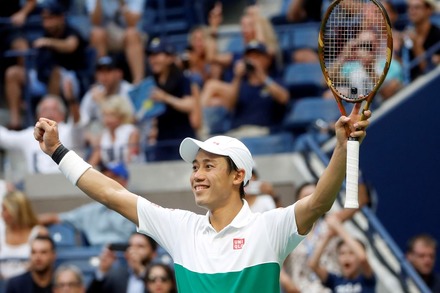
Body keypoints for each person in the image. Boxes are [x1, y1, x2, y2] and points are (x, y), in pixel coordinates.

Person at [33, 98, 371, 292]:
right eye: (195, 167)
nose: (196, 175)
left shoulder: (269, 228)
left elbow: (319, 202)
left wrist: (342, 148)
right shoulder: (182, 228)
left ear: (239, 176)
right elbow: (111, 194)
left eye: (208, 166)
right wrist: (59, 151)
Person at [4, 1, 87, 129]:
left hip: (70, 80)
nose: (47, 22)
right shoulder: (45, 33)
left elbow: (70, 45)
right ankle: (16, 122)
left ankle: (49, 122)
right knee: (13, 73)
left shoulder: (70, 32)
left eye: (51, 18)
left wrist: (49, 42)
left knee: (56, 72)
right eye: (45, 19)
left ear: (61, 18)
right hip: (42, 78)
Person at [201, 41, 289, 138]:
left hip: (263, 133)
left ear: (267, 60)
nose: (253, 60)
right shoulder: (241, 83)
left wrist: (261, 76)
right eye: (249, 57)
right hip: (238, 132)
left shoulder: (274, 81)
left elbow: (284, 98)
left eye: (257, 57)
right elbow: (230, 106)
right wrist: (237, 77)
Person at [38, 162, 136, 246]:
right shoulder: (91, 211)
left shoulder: (136, 208)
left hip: (125, 255)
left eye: (110, 177)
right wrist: (30, 224)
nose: (105, 182)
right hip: (94, 255)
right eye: (103, 177)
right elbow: (56, 218)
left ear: (123, 181)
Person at [0, 95, 84, 185]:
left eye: (53, 109)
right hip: (36, 186)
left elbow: (77, 123)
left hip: (67, 184)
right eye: (44, 109)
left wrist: (71, 99)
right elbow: (4, 138)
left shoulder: (70, 132)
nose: (49, 113)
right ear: (38, 116)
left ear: (63, 114)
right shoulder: (29, 135)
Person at [144, 38, 198, 161]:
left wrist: (165, 98)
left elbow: (190, 105)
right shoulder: (151, 82)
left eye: (157, 55)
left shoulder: (181, 78)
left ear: (169, 58)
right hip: (162, 140)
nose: (153, 60)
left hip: (182, 138)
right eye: (151, 55)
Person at [308, 214, 376, 292]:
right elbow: (313, 265)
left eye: (351, 253)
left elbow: (362, 258)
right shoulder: (335, 281)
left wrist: (338, 227)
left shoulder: (366, 280)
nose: (346, 257)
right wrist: (328, 236)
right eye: (342, 253)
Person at [86, 0, 146, 84]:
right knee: (97, 33)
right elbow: (95, 22)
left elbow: (132, 23)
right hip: (106, 35)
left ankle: (139, 82)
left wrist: (122, 3)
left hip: (126, 33)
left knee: (132, 34)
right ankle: (102, 81)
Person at [86, 233, 158, 293]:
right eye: (130, 246)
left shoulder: (162, 275)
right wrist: (102, 271)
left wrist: (141, 272)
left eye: (140, 246)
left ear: (153, 254)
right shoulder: (117, 276)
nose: (133, 250)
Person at [0, 190, 48, 279]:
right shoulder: (1, 232)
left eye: (5, 209)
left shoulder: (39, 232)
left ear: (16, 211)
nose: (2, 214)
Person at [87, 95, 140, 168]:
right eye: (105, 115)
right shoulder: (102, 135)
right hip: (109, 175)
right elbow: (93, 162)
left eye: (112, 115)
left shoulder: (131, 132)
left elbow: (132, 158)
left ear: (121, 116)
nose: (107, 120)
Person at [403, 0, 440, 80]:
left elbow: (429, 70)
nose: (412, 11)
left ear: (428, 10)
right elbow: (404, 70)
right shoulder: (406, 36)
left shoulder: (437, 35)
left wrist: (416, 45)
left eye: (417, 7)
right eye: (409, 7)